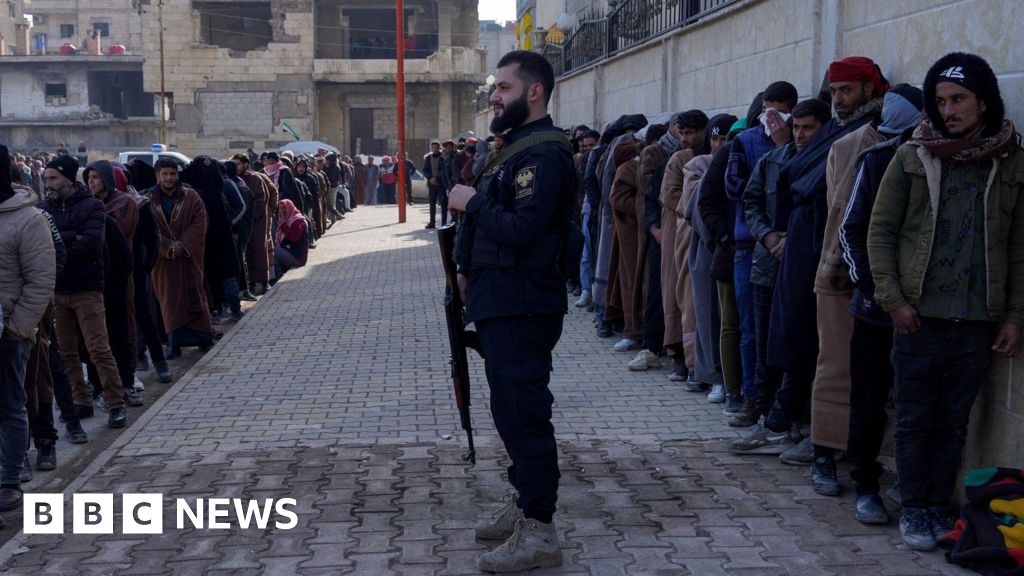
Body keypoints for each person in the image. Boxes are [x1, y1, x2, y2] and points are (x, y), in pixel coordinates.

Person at [868, 52, 1024, 551]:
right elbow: (881, 231)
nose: (949, 110)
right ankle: (915, 507)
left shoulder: (1010, 160)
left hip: (977, 319)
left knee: (954, 422)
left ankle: (938, 504)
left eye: (959, 99)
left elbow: (1018, 247)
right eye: (940, 101)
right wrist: (893, 299)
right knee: (914, 417)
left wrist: (1014, 316)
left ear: (984, 101)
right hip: (919, 317)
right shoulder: (913, 157)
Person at [448, 50, 576, 573]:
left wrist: (472, 203)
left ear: (535, 91)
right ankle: (525, 503)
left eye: (504, 88)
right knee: (508, 409)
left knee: (525, 415)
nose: (495, 97)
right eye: (495, 88)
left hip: (523, 301)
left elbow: (523, 231)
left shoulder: (542, 155)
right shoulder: (515, 148)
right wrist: (464, 268)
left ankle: (540, 529)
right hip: (499, 298)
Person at [838, 83, 924, 526]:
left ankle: (917, 493)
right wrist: (876, 290)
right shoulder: (877, 160)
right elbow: (852, 229)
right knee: (869, 401)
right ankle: (867, 484)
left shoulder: (951, 163)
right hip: (875, 310)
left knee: (919, 405)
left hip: (927, 313)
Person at [731, 99, 831, 455]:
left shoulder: (829, 160)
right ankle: (766, 418)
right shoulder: (771, 160)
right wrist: (769, 237)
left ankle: (791, 421)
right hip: (767, 266)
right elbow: (751, 202)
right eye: (797, 127)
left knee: (798, 345)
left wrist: (794, 240)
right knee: (764, 346)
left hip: (805, 268)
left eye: (808, 128)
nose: (801, 135)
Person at [723, 82, 799, 426]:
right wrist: (767, 232)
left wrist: (784, 147)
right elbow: (736, 188)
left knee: (783, 327)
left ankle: (781, 406)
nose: (772, 119)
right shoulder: (746, 141)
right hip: (751, 244)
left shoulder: (798, 141)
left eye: (779, 112)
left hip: (791, 245)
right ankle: (752, 397)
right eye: (767, 110)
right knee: (751, 327)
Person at [40, 155, 128, 429]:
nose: (48, 184)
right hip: (57, 290)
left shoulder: (92, 206)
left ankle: (115, 403)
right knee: (66, 351)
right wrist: (69, 238)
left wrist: (60, 244)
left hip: (87, 288)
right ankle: (81, 400)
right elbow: (43, 246)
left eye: (53, 178)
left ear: (68, 179)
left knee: (98, 349)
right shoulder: (44, 209)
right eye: (46, 179)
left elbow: (90, 245)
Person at [0, 144, 57, 515]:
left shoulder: (28, 219)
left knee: (10, 407)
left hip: (9, 333)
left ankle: (9, 481)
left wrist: (17, 328)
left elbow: (41, 280)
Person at [83, 161, 143, 408]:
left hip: (118, 275)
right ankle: (98, 385)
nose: (91, 182)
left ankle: (126, 382)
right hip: (92, 279)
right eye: (89, 177)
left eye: (96, 177)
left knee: (120, 333)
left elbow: (111, 230)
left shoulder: (124, 202)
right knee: (94, 337)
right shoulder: (88, 205)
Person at [145, 157, 214, 357]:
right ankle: (173, 343)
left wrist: (182, 245)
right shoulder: (147, 199)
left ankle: (203, 338)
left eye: (173, 174)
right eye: (165, 174)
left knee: (196, 296)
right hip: (163, 262)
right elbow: (147, 230)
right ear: (157, 176)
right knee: (169, 300)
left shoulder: (191, 196)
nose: (169, 178)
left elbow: (200, 223)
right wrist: (166, 247)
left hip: (189, 258)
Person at [275, 199, 308, 276]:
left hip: (298, 258)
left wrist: (283, 226)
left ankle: (278, 276)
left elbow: (294, 238)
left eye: (285, 208)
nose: (282, 210)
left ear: (290, 208)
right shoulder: (286, 219)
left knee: (272, 252)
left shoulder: (297, 221)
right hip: (291, 252)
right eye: (281, 208)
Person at [423, 141, 447, 228]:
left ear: (439, 147)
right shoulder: (428, 158)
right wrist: (430, 178)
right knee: (432, 203)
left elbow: (444, 170)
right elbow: (425, 170)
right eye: (433, 147)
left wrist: (437, 178)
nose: (434, 149)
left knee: (443, 203)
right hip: (431, 184)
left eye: (436, 147)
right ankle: (432, 222)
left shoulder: (443, 157)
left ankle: (444, 223)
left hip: (441, 183)